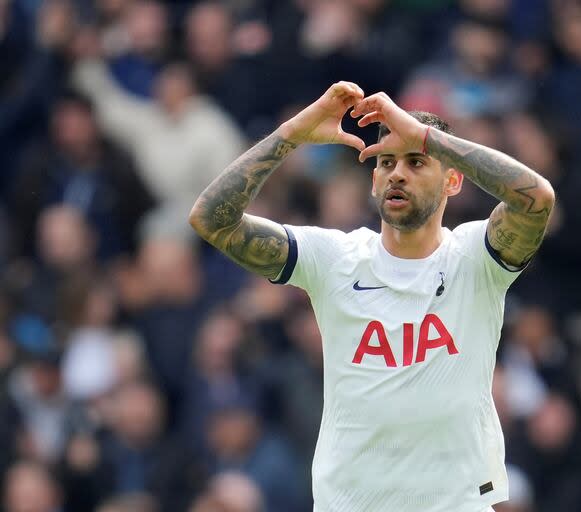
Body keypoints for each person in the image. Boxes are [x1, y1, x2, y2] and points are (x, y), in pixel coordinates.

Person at [189, 82, 555, 511]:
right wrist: (292, 134)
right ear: (373, 181)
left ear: (453, 180)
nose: (397, 173)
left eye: (416, 161)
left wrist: (425, 135)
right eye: (385, 163)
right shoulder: (334, 259)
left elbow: (536, 201)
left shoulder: (475, 258)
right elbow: (211, 220)